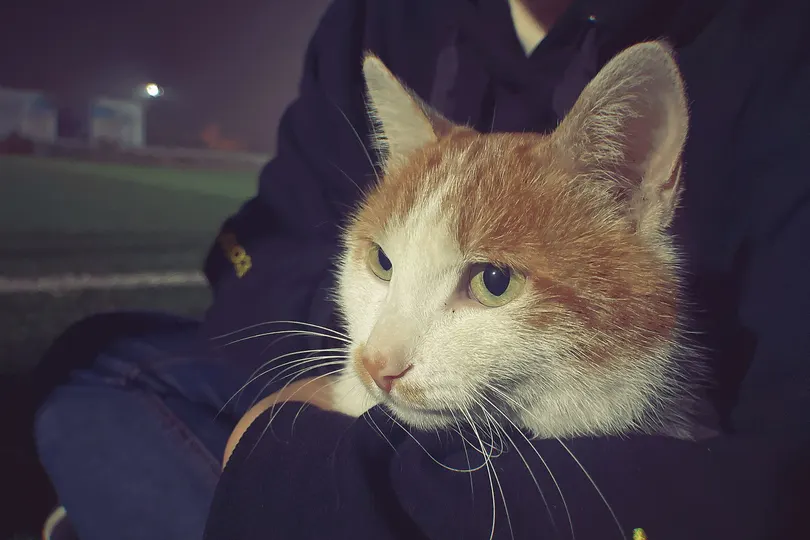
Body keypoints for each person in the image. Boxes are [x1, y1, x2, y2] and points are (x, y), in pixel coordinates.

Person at [32, 0, 810, 539]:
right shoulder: (379, 18)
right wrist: (307, 401)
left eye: (493, 282)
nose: (383, 356)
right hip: (349, 425)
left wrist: (294, 469)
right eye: (380, 262)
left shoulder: (773, 52)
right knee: (99, 367)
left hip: (583, 474)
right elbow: (264, 257)